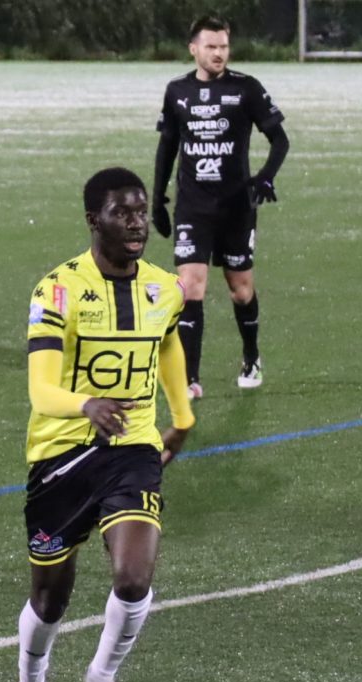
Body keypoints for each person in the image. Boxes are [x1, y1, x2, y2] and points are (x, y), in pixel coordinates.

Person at [5, 167, 195, 682]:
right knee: (50, 598)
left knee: (134, 577)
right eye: (123, 213)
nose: (137, 223)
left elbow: (167, 342)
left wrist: (181, 414)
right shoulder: (56, 291)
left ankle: (102, 678)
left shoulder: (165, 289)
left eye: (142, 211)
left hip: (132, 447)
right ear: (94, 220)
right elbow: (41, 391)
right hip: (61, 454)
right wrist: (86, 404)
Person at [152, 14, 289, 397]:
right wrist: (157, 198)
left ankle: (251, 356)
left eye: (224, 46)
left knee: (240, 290)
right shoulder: (177, 91)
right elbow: (167, 146)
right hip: (193, 206)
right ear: (193, 48)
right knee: (190, 286)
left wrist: (265, 176)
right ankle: (190, 378)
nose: (219, 53)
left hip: (236, 207)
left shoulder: (246, 88)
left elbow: (280, 140)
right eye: (211, 46)